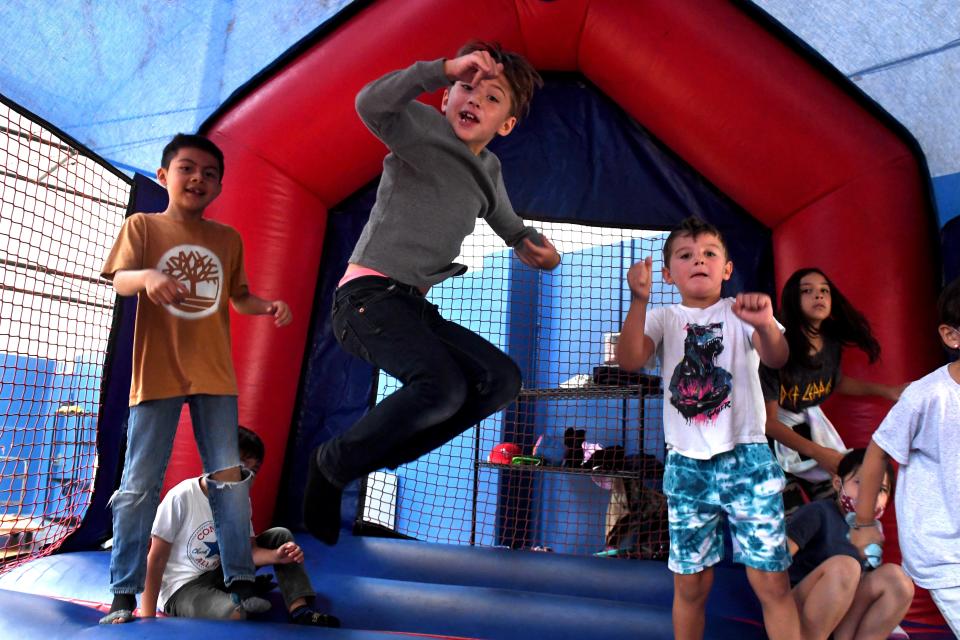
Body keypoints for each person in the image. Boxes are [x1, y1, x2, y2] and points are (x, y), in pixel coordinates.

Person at [303, 41, 560, 545]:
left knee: (501, 379)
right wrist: (437, 69)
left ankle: (379, 454)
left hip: (411, 306)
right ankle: (332, 462)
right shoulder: (420, 129)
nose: (474, 100)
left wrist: (540, 250)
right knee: (441, 386)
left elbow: (510, 225)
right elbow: (369, 103)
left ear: (505, 125)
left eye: (492, 98)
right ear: (445, 97)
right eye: (466, 86)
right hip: (366, 299)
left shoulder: (490, 171)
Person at [99, 133, 293, 623]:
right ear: (164, 176)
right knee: (138, 485)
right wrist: (147, 277)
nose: (198, 179)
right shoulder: (143, 226)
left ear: (220, 186)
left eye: (209, 174)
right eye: (187, 169)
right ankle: (124, 591)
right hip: (158, 373)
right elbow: (120, 279)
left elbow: (239, 297)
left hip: (214, 375)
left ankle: (240, 578)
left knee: (229, 481)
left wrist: (266, 305)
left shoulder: (227, 240)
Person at [616, 216, 800, 640]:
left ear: (727, 268)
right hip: (687, 467)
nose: (698, 260)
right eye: (685, 255)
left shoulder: (741, 314)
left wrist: (766, 323)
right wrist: (638, 299)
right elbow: (629, 360)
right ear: (667, 274)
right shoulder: (663, 317)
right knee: (691, 583)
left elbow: (776, 357)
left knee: (771, 581)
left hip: (747, 459)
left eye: (709, 254)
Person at [141, 427, 339, 627]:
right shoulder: (182, 496)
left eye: (253, 470)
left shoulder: (240, 501)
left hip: (223, 574)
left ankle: (299, 609)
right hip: (182, 587)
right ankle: (241, 594)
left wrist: (277, 556)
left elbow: (249, 551)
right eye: (242, 466)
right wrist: (147, 617)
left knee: (280, 536)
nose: (248, 476)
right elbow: (156, 558)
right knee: (235, 614)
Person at [851, 276, 960, 636]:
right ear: (951, 336)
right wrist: (865, 523)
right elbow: (878, 452)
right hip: (944, 551)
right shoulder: (927, 396)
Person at [761, 268, 904, 514]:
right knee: (789, 515)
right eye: (808, 291)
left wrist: (887, 391)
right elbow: (767, 423)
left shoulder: (830, 342)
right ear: (793, 300)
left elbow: (833, 382)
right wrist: (818, 452)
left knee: (835, 508)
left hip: (808, 432)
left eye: (824, 291)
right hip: (768, 444)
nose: (818, 296)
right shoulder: (777, 349)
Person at [787, 448, 913, 640]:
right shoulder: (818, 513)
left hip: (840, 615)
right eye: (860, 483)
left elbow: (864, 587)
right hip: (798, 612)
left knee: (897, 579)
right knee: (846, 567)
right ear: (838, 483)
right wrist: (776, 613)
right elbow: (774, 565)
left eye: (880, 489)